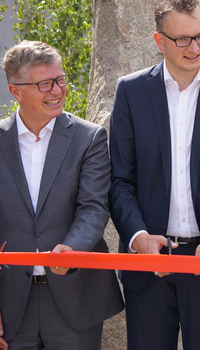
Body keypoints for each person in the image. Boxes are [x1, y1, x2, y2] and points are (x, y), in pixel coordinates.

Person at [109, 0, 200, 349]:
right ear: (159, 41)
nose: (195, 47)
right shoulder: (130, 91)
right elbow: (120, 181)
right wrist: (138, 238)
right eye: (183, 39)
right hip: (148, 264)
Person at [0, 40, 124, 349]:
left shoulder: (89, 137)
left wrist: (72, 248)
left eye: (60, 79)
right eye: (45, 84)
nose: (57, 90)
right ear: (16, 91)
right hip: (11, 301)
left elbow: (94, 207)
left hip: (75, 296)